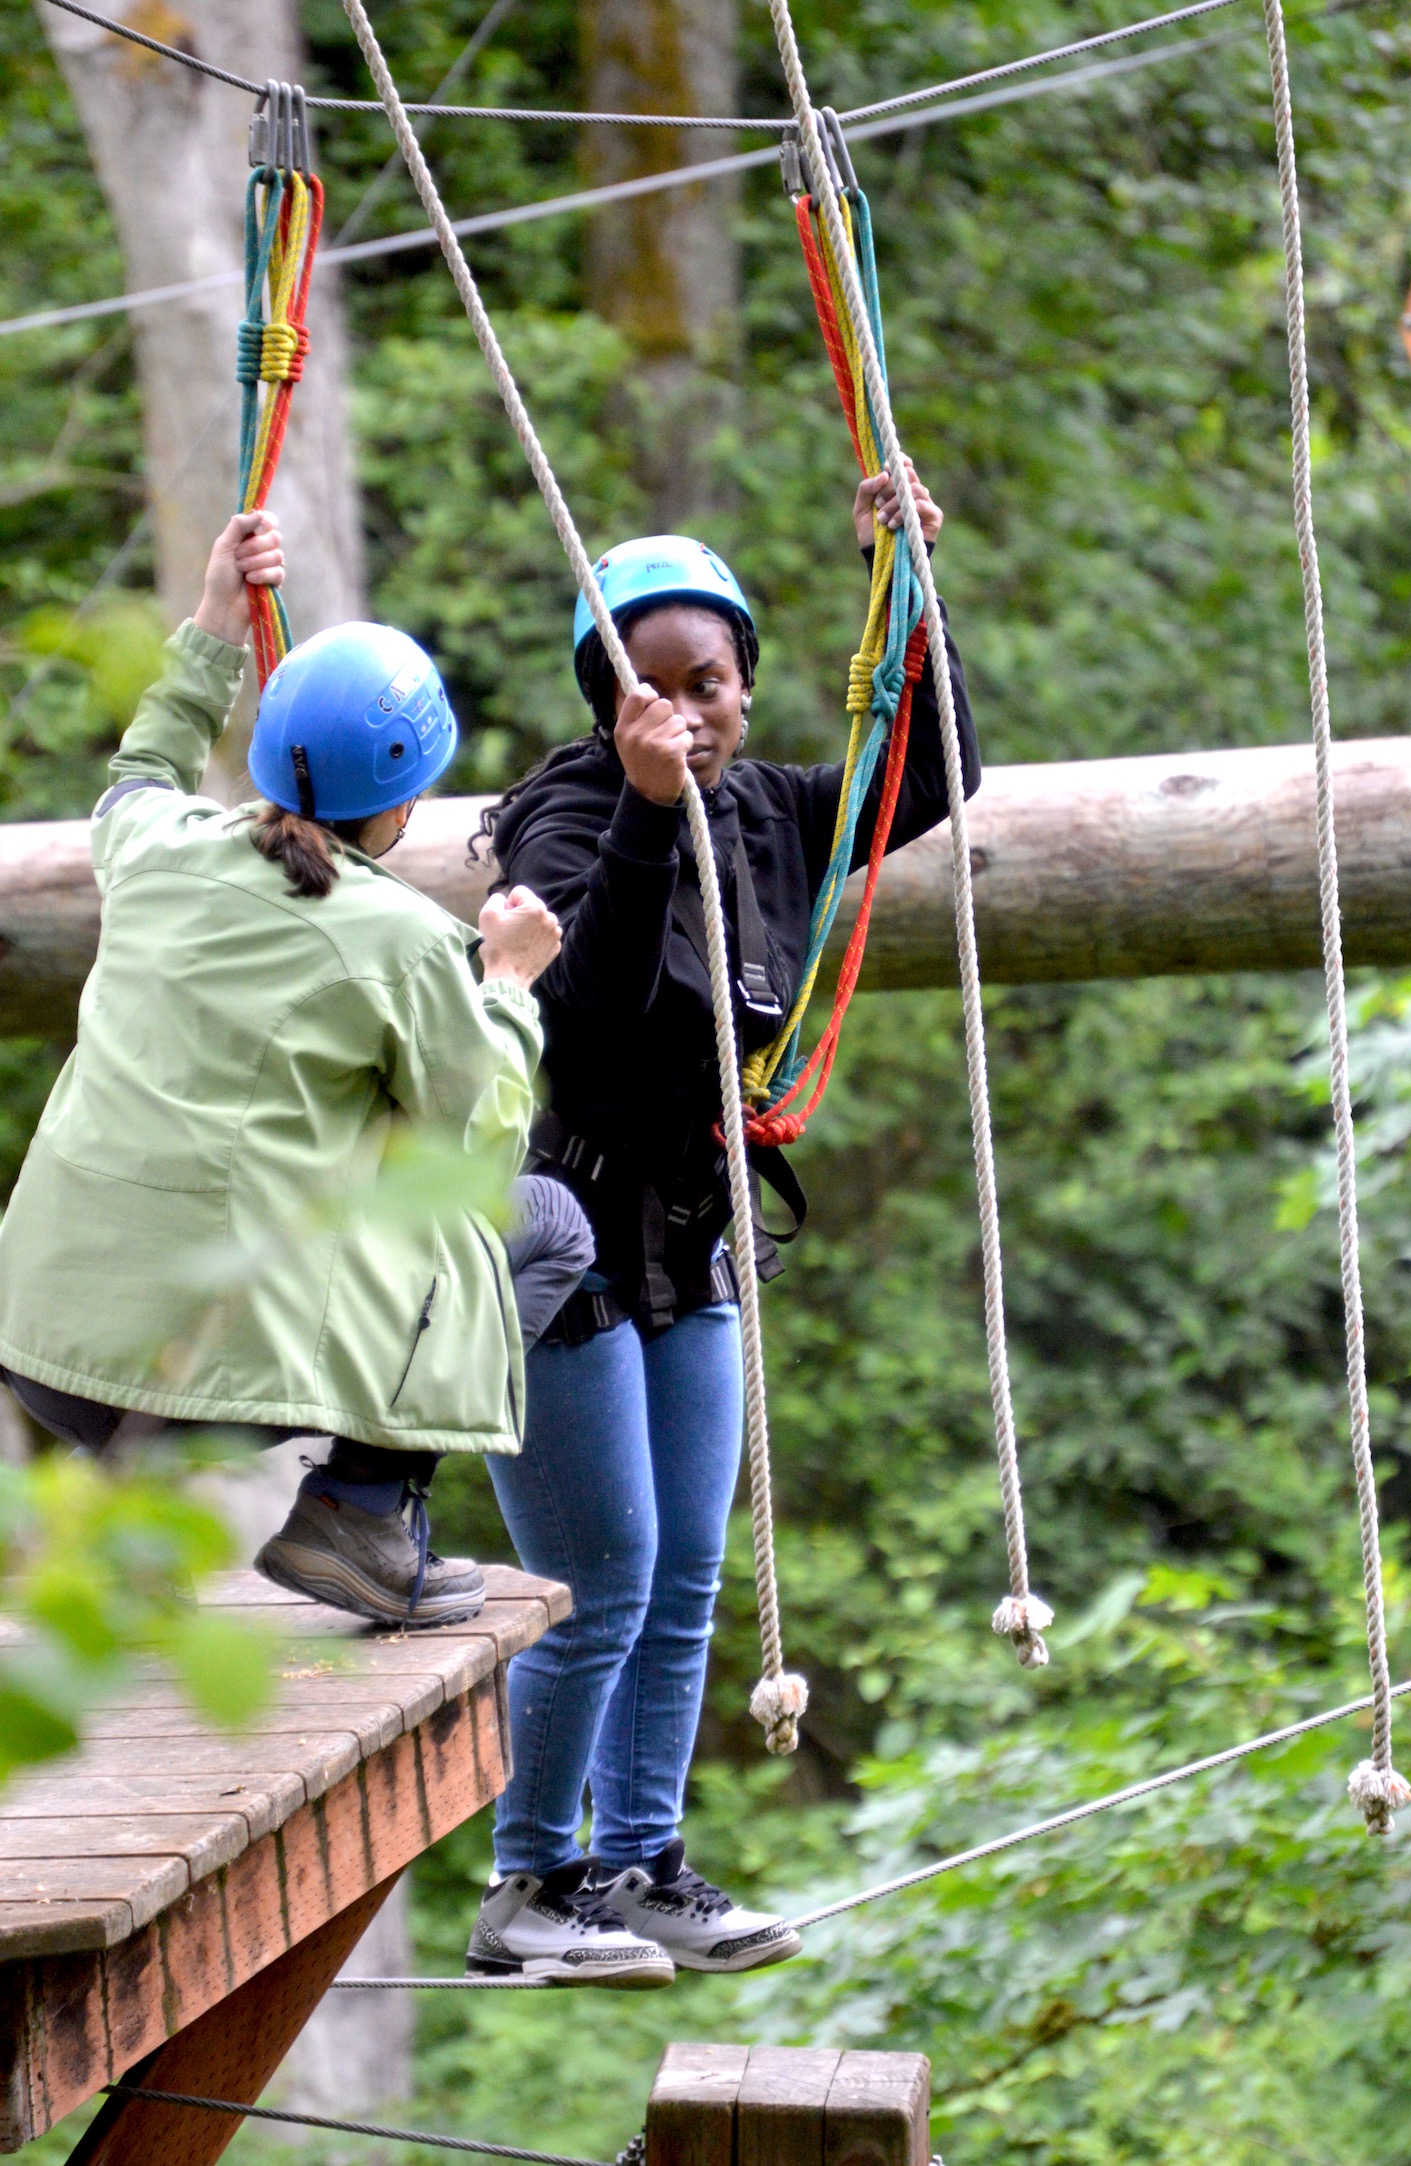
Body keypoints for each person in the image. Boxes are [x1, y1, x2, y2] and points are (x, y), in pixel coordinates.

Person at [469, 462, 981, 1984]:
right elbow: (581, 1013)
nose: (689, 713)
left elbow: (934, 773)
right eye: (655, 687)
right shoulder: (561, 818)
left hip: (688, 1237)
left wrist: (914, 593)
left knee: (688, 1562)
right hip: (557, 1237)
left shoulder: (768, 812)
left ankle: (639, 1860)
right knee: (603, 1574)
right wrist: (638, 808)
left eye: (714, 683)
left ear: (750, 689)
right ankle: (526, 1887)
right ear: (608, 699)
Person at [0, 509, 593, 1632]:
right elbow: (483, 1146)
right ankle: (362, 1512)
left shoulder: (155, 848)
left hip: (44, 1347)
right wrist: (511, 982)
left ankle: (128, 1520)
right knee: (544, 1223)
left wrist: (216, 617)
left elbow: (140, 770)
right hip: (195, 1382)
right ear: (408, 795)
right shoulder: (404, 940)